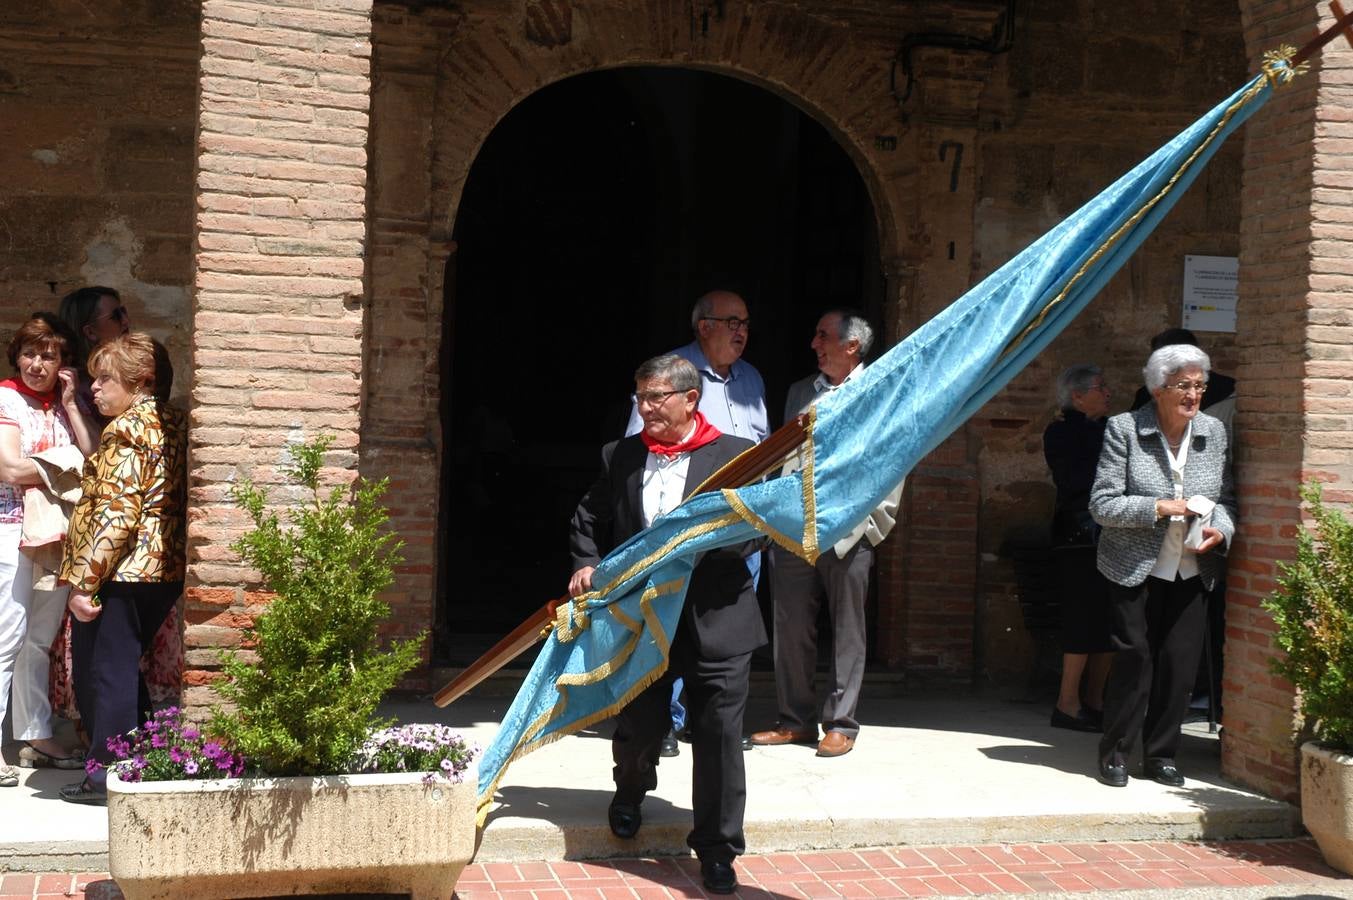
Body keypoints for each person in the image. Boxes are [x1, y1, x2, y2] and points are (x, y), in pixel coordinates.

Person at [571, 354, 764, 895]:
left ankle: (719, 849)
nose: (646, 407)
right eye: (641, 397)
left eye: (657, 397)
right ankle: (631, 790)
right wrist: (586, 563)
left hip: (717, 617)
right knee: (641, 722)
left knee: (719, 736)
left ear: (690, 400)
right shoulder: (622, 455)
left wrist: (696, 548)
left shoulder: (736, 456)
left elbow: (754, 533)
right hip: (645, 617)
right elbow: (589, 516)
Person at [749, 310, 900, 758]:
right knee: (791, 626)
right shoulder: (800, 391)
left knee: (848, 629)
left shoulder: (881, 389)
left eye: (823, 336)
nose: (814, 343)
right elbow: (779, 456)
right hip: (795, 528)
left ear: (851, 346)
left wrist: (875, 523)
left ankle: (841, 723)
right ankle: (794, 720)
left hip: (850, 531)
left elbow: (893, 457)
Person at [625, 290, 768, 757]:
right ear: (704, 326)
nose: (742, 331)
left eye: (745, 322)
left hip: (737, 534)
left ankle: (708, 720)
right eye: (732, 322)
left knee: (720, 633)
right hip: (681, 537)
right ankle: (664, 722)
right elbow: (638, 451)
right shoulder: (668, 376)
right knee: (668, 629)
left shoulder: (752, 381)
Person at [1090, 343, 1235, 788]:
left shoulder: (1213, 431)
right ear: (1157, 390)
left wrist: (1223, 531)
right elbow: (1102, 503)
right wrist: (1159, 506)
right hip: (1134, 564)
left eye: (1199, 386)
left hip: (1192, 566)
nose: (1193, 395)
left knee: (1180, 663)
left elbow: (1226, 497)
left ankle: (1162, 755)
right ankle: (1116, 753)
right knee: (1135, 657)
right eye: (1183, 386)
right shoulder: (1125, 430)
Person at [58, 333, 187, 805]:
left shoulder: (128, 430)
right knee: (122, 670)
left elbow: (116, 515)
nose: (94, 388)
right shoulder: (169, 422)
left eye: (106, 378)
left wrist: (84, 583)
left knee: (104, 670)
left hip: (124, 571)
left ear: (143, 382)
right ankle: (146, 759)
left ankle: (105, 778)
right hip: (161, 568)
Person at [0, 315, 99, 787]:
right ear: (16, 356)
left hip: (56, 534)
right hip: (10, 530)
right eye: (29, 353)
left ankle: (35, 732)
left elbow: (94, 457)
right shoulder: (5, 398)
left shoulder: (61, 408)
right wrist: (64, 466)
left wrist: (71, 406)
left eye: (48, 355)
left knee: (39, 639)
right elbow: (10, 470)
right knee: (7, 636)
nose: (37, 363)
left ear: (63, 363)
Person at [1043, 364, 1114, 733]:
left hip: (1113, 535)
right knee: (1081, 620)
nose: (1108, 393)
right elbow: (1077, 481)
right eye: (1100, 387)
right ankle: (1066, 703)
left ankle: (1095, 701)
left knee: (1108, 622)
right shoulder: (1061, 431)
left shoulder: (1111, 428)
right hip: (1079, 536)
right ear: (1077, 395)